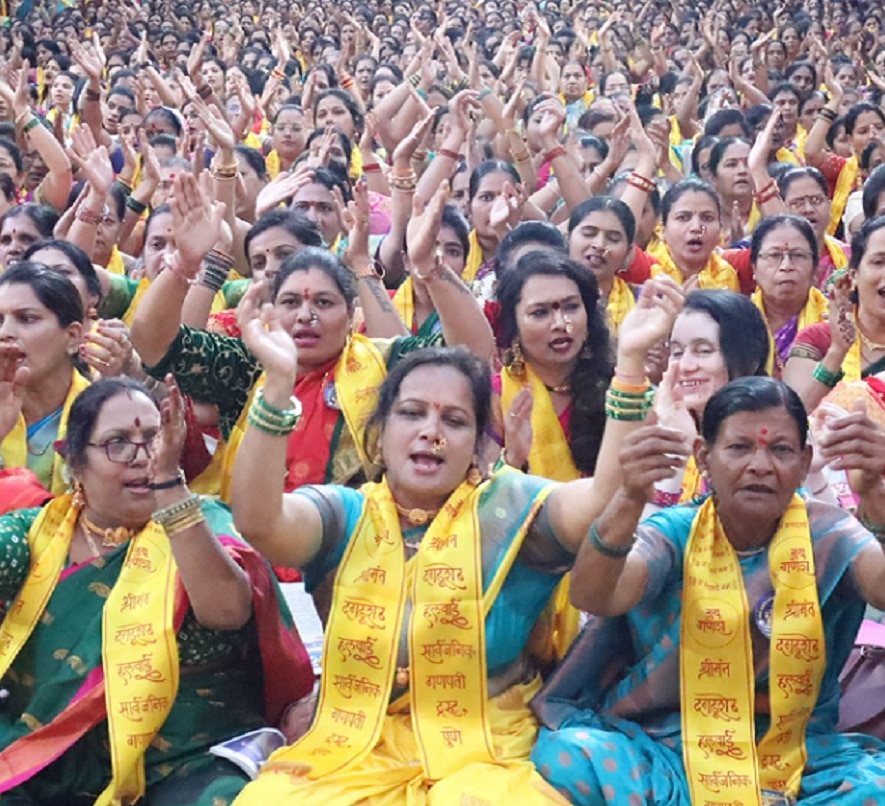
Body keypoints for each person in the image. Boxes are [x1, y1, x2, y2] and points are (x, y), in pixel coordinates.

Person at [228, 278, 686, 804]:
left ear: (476, 446)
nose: (431, 431)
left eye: (454, 419)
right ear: (380, 432)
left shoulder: (511, 510)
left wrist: (629, 362)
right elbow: (259, 521)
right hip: (352, 747)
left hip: (486, 754)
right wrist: (280, 381)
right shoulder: (345, 515)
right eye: (412, 413)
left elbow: (604, 497)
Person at [532, 376, 885, 806]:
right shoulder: (674, 533)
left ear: (804, 460)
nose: (760, 465)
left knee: (874, 788)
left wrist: (878, 500)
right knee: (570, 756)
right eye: (739, 448)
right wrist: (627, 497)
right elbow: (595, 596)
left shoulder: (828, 533)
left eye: (781, 450)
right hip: (670, 743)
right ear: (704, 456)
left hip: (796, 755)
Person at [0, 376, 313, 803]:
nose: (142, 456)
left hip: (189, 758)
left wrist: (169, 484)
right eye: (117, 443)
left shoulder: (205, 522)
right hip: (52, 750)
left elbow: (226, 610)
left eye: (153, 438)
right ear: (75, 462)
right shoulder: (35, 537)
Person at [0, 264, 88, 495]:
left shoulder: (104, 415)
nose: (5, 333)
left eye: (26, 319)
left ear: (72, 336)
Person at [786, 217, 885, 413]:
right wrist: (837, 351)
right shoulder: (819, 339)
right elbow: (795, 421)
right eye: (879, 261)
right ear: (854, 275)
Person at [749, 215, 828, 377]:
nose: (786, 266)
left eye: (798, 255)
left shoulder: (831, 322)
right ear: (754, 268)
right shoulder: (738, 320)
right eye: (774, 255)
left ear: (815, 269)